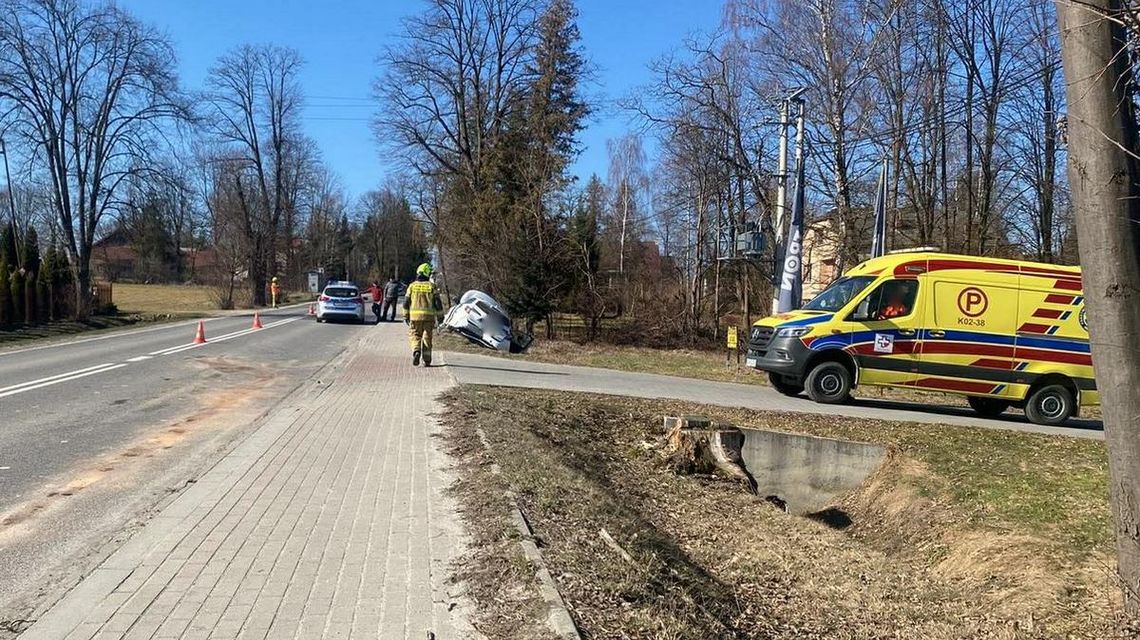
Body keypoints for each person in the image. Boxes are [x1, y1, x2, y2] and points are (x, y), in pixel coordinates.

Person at [403, 263, 443, 366]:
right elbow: (438, 303)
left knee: (415, 336)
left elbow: (406, 302)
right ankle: (427, 360)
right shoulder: (432, 286)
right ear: (427, 274)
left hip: (414, 318)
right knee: (427, 338)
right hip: (428, 318)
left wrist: (405, 316)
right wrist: (440, 317)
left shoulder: (412, 286)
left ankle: (416, 351)